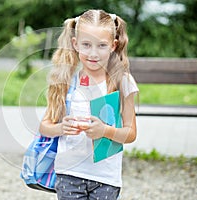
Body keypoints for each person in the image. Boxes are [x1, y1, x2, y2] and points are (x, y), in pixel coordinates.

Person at [39, 9, 139, 200]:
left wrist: (105, 131)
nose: (93, 53)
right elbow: (44, 126)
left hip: (106, 178)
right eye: (86, 45)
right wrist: (61, 127)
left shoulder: (121, 82)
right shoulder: (66, 81)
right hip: (69, 173)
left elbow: (131, 134)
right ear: (75, 44)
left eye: (101, 45)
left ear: (113, 45)